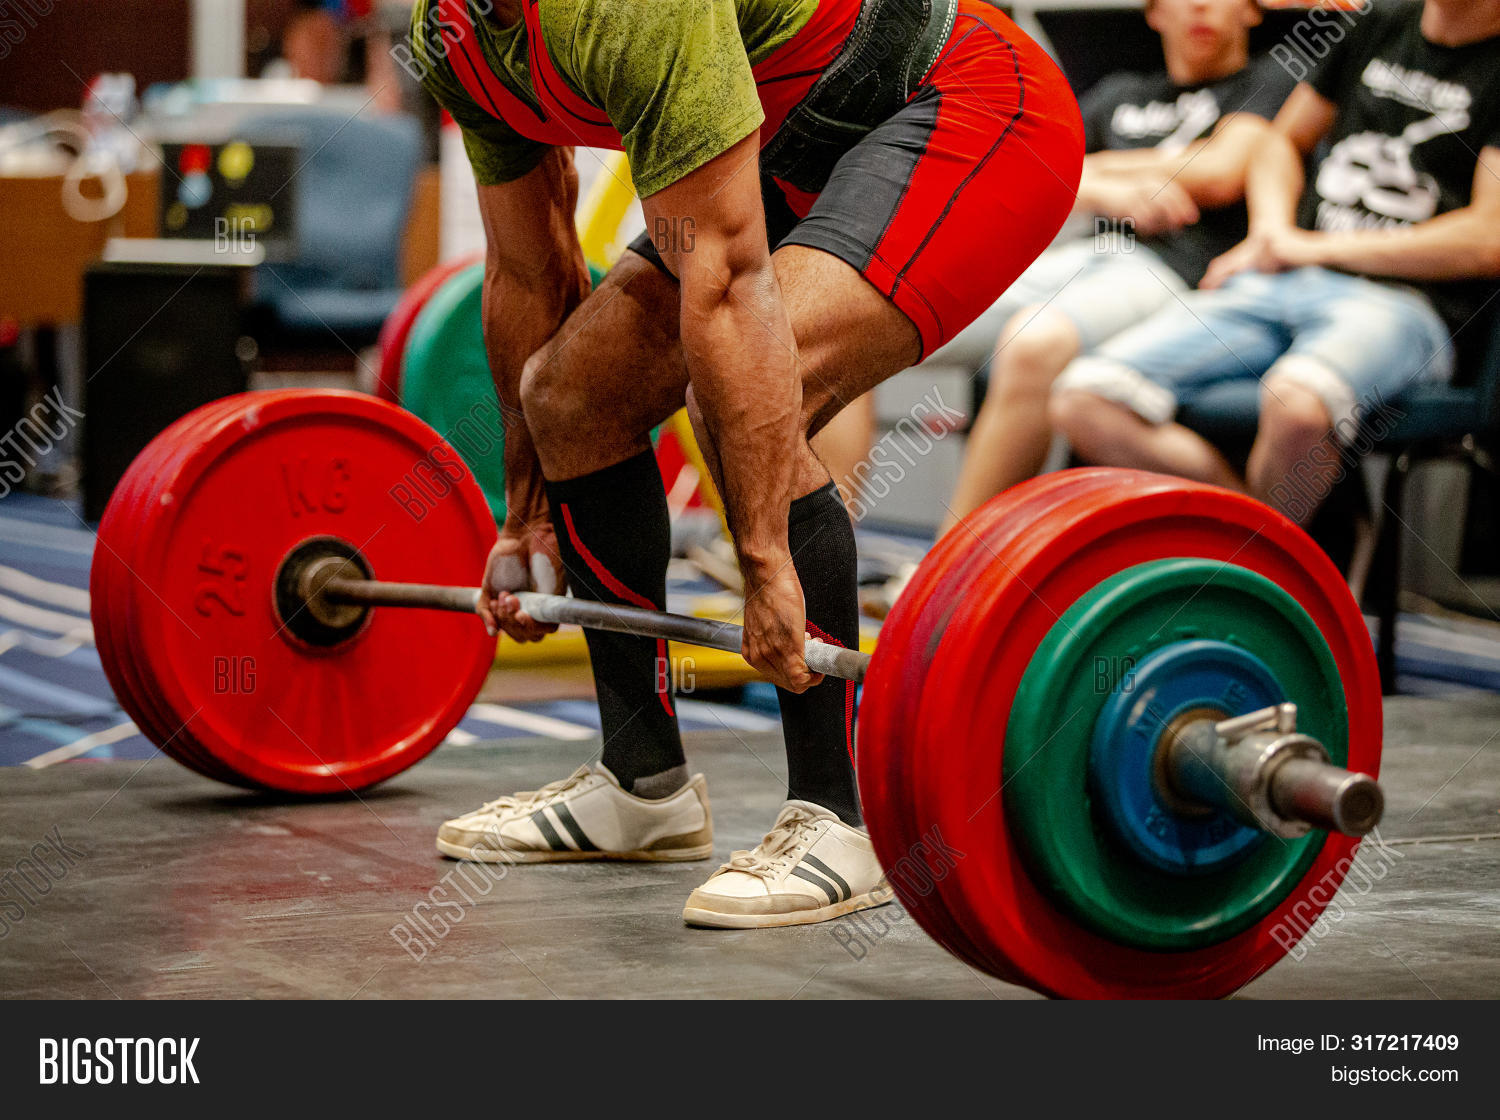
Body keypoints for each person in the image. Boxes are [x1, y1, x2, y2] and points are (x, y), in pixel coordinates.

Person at [406, 0, 1083, 927]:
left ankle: (836, 817)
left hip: (965, 107)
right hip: (792, 141)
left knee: (749, 391)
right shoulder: (453, 37)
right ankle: (641, 785)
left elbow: (725, 282)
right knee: (573, 393)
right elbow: (530, 273)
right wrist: (524, 515)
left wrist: (765, 561)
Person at [1051, 0, 1500, 523]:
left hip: (1404, 300)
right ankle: (1264, 548)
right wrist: (1270, 234)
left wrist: (1311, 248)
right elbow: (1276, 142)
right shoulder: (1381, 22)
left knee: (1298, 408)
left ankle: (1261, 574)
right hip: (1287, 275)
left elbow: (1486, 240)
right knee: (1083, 399)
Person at [937, 0, 1293, 536]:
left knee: (1033, 342)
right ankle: (818, 564)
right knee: (880, 325)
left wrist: (1091, 173)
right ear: (1153, 13)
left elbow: (1222, 170)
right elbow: (1028, 168)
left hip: (1174, 273)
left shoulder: (1271, 80)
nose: (1200, 6)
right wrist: (1107, 189)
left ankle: (950, 574)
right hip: (1085, 259)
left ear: (1251, 11)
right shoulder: (1120, 94)